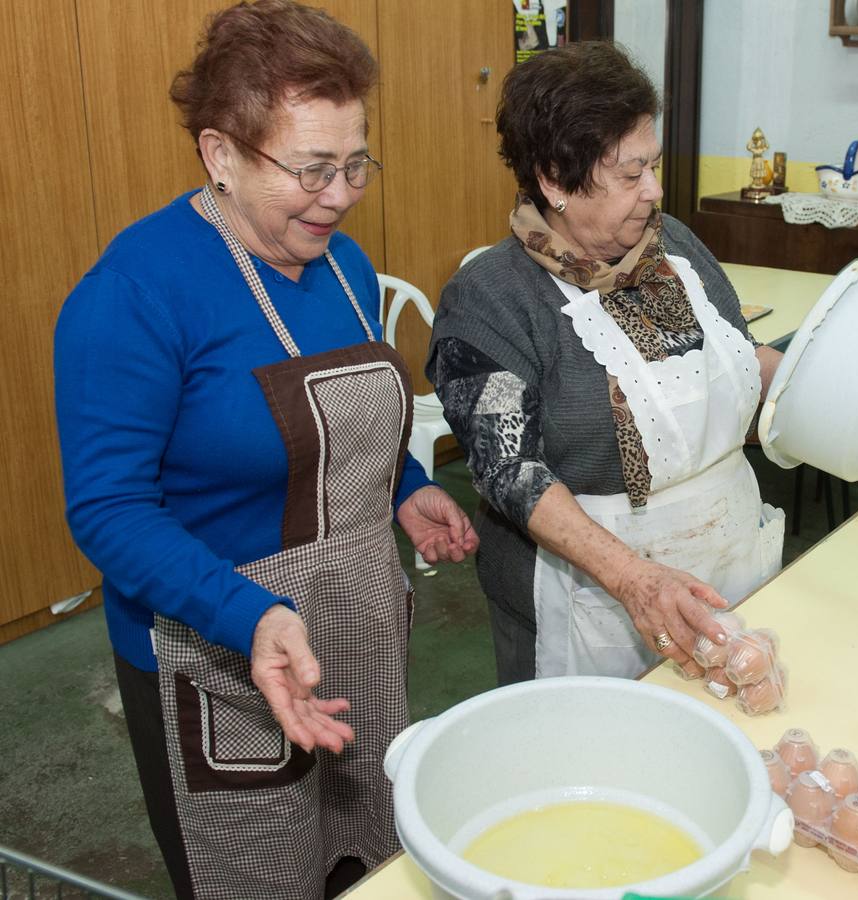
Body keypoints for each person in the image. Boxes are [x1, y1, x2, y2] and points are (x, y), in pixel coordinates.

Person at [53, 2, 478, 897]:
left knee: (362, 858)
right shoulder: (135, 292)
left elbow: (339, 424)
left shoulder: (342, 263)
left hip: (355, 629)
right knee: (258, 873)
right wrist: (249, 616)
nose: (340, 193)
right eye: (312, 169)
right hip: (217, 648)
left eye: (355, 162)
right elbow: (109, 509)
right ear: (220, 156)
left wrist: (401, 485)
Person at [427, 41, 785, 686]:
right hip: (592, 596)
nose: (654, 188)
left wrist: (827, 384)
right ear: (555, 181)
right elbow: (509, 473)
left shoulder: (674, 245)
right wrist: (635, 580)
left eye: (652, 164)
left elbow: (737, 354)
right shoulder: (491, 297)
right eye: (629, 174)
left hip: (730, 553)